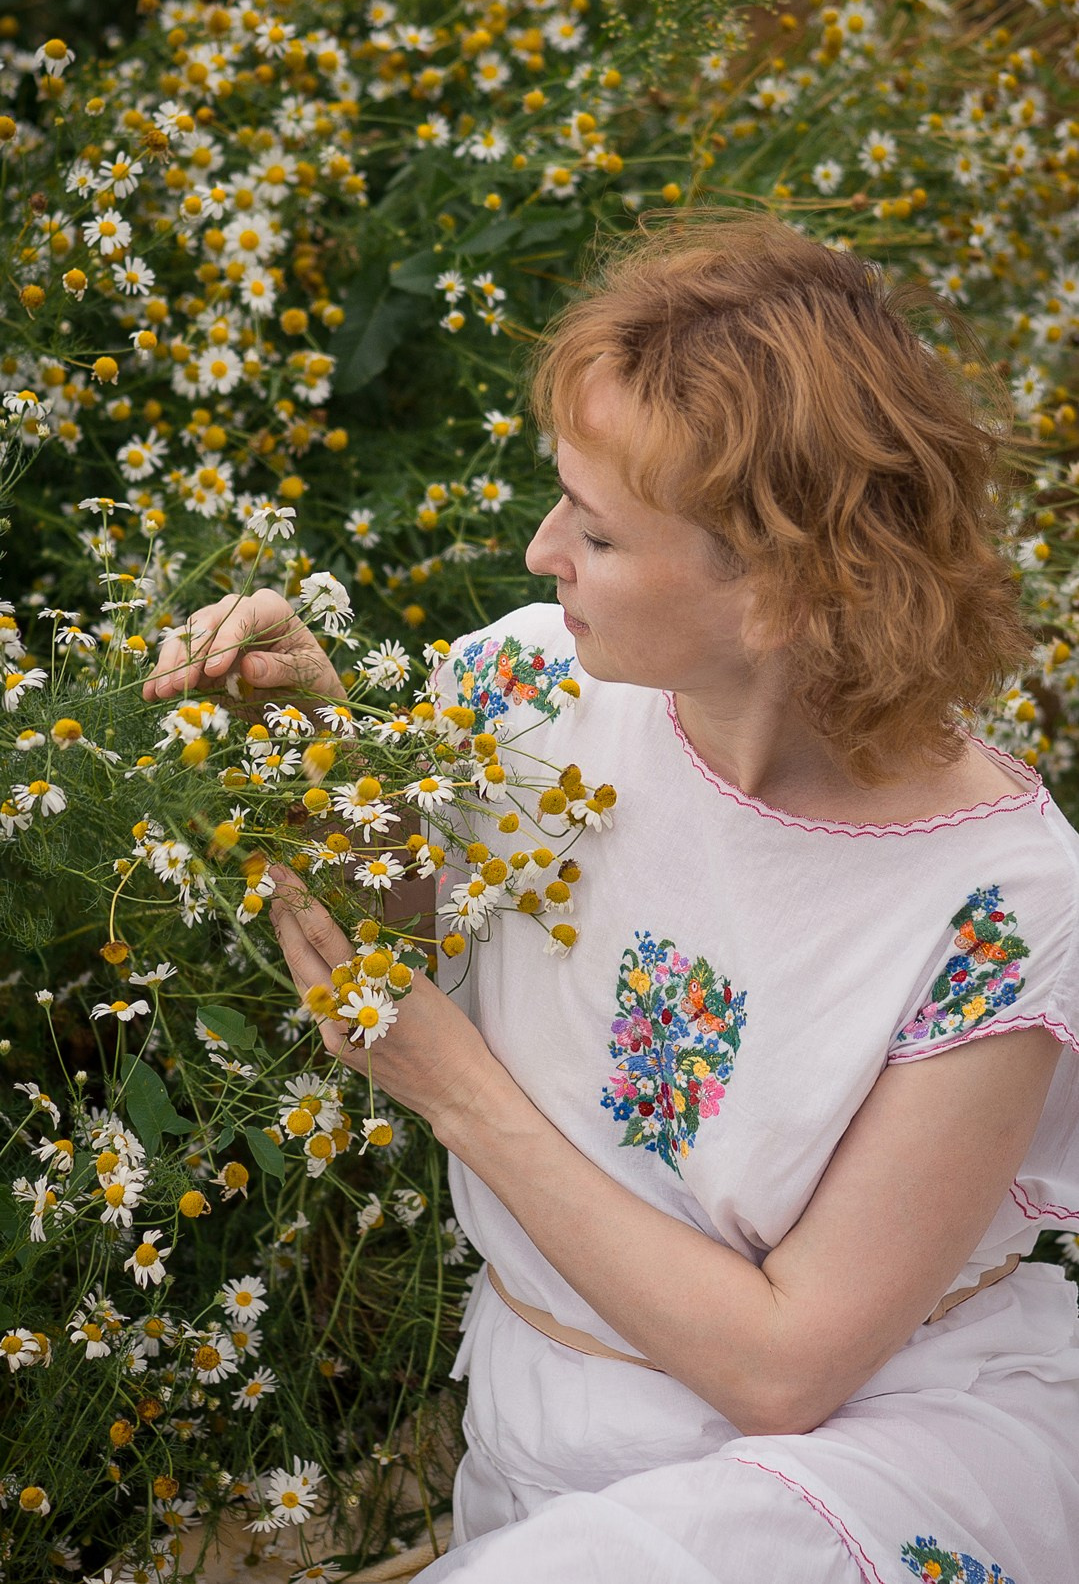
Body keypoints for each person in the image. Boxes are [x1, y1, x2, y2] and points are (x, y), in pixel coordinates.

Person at [145, 212, 1079, 1584]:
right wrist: (317, 747)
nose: (537, 554)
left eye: (594, 530)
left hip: (868, 1450)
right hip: (542, 1421)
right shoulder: (537, 682)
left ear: (777, 589)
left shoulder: (999, 906)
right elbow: (423, 918)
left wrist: (453, 1088)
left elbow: (786, 1367)